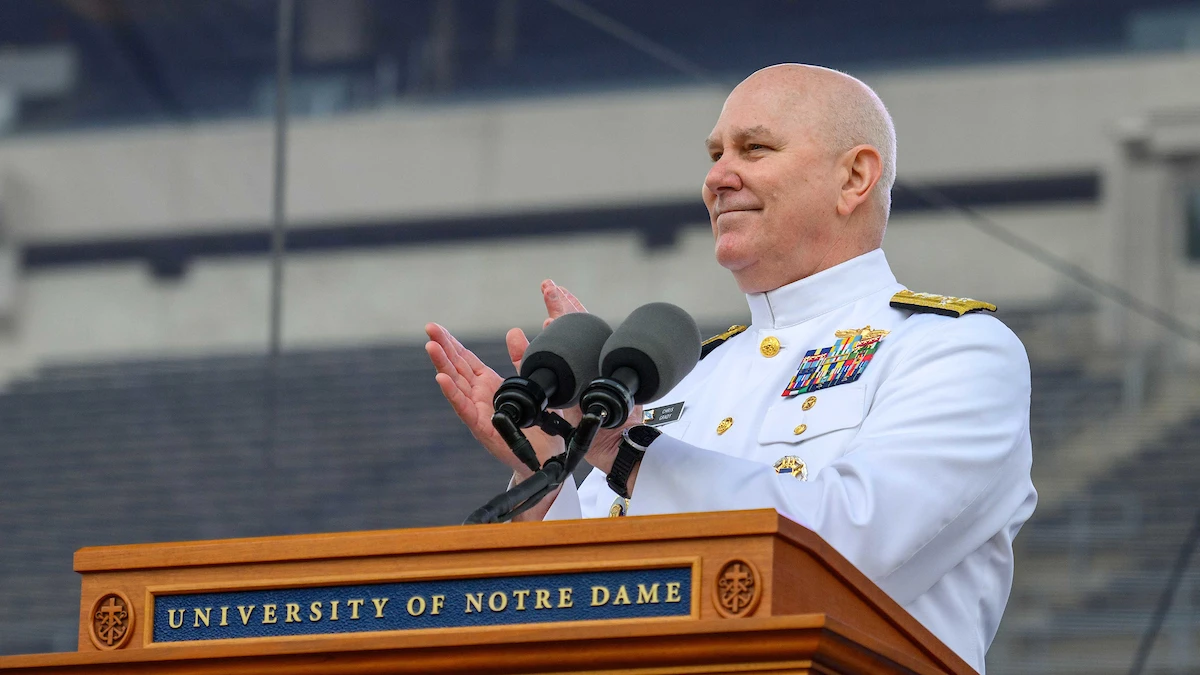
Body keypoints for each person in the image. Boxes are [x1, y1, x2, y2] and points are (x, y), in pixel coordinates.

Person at [425, 64, 1036, 673]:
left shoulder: (956, 352)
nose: (717, 177)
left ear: (854, 177)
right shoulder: (682, 374)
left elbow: (850, 551)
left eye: (755, 148)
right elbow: (591, 601)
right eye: (715, 153)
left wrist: (630, 452)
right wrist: (545, 472)